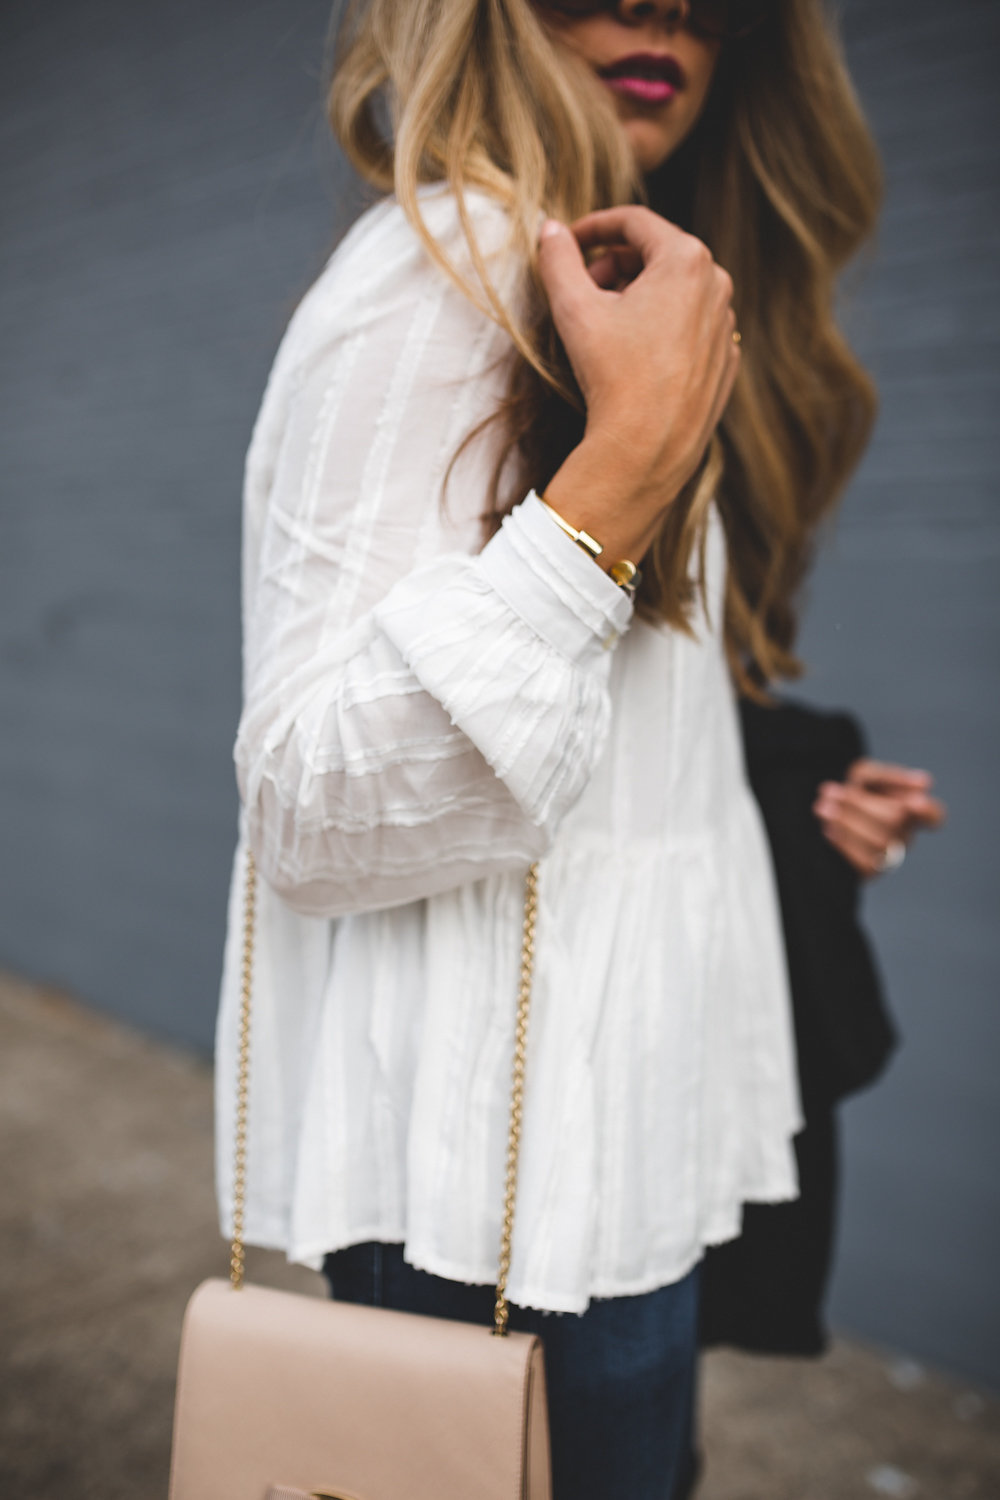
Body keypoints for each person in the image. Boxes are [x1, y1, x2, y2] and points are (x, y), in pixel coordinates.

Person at [213, 2, 943, 1496]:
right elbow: (312, 811)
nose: (664, 7)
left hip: (600, 1151)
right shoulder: (451, 280)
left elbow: (593, 711)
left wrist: (781, 797)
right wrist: (613, 487)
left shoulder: (610, 281)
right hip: (503, 1203)